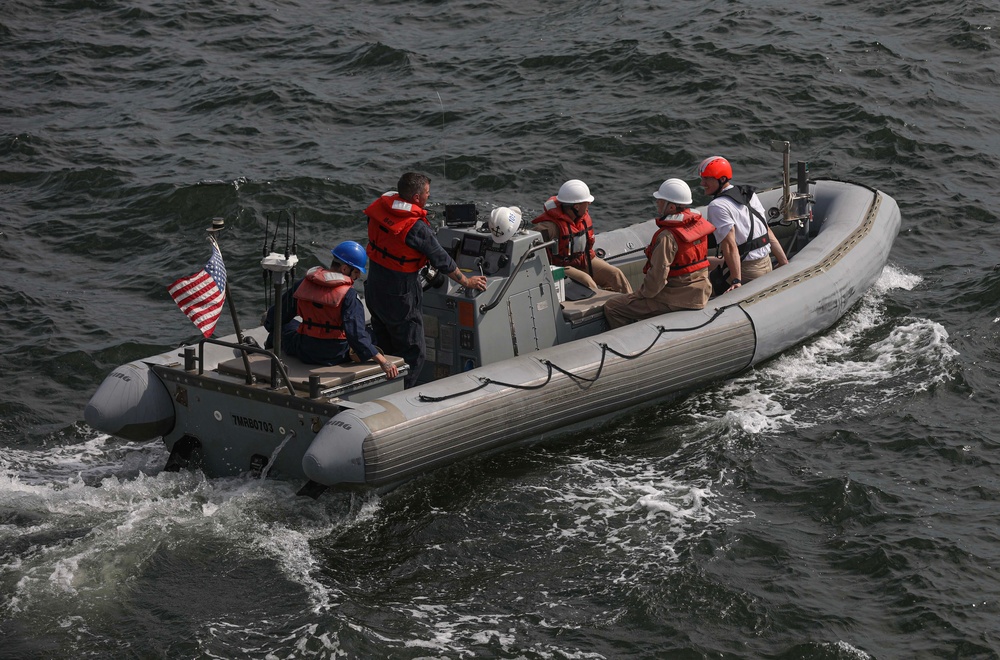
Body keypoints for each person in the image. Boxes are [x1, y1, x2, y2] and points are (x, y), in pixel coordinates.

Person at [364, 172, 487, 388]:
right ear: (416, 198)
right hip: (400, 295)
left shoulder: (380, 209)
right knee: (414, 353)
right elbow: (441, 259)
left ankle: (380, 392)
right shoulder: (417, 228)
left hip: (373, 287)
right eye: (427, 194)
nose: (429, 197)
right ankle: (402, 398)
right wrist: (466, 282)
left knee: (386, 346)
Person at [264, 241, 399, 380]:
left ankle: (266, 348)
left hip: (304, 349)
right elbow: (356, 336)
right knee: (369, 333)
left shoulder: (303, 284)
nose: (358, 276)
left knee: (283, 325)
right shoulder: (349, 296)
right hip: (336, 355)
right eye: (357, 271)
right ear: (345, 269)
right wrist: (383, 362)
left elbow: (278, 316)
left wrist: (269, 323)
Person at [604, 179, 714, 329]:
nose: (657, 203)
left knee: (613, 306)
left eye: (661, 201)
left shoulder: (667, 236)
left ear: (672, 206)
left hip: (676, 298)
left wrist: (639, 295)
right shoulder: (696, 225)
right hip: (701, 291)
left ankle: (631, 341)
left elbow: (657, 278)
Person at [698, 156, 788, 293]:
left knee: (696, 287)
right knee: (703, 263)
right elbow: (767, 230)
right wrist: (783, 262)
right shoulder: (748, 194)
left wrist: (736, 281)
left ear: (721, 179)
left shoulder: (717, 206)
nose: (702, 183)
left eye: (707, 179)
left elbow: (729, 245)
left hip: (747, 271)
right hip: (766, 263)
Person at [531, 179, 632, 294]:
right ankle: (599, 309)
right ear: (576, 206)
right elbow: (530, 243)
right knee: (588, 283)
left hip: (583, 260)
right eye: (586, 202)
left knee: (615, 274)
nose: (589, 204)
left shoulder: (582, 218)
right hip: (561, 267)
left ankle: (630, 304)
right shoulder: (550, 226)